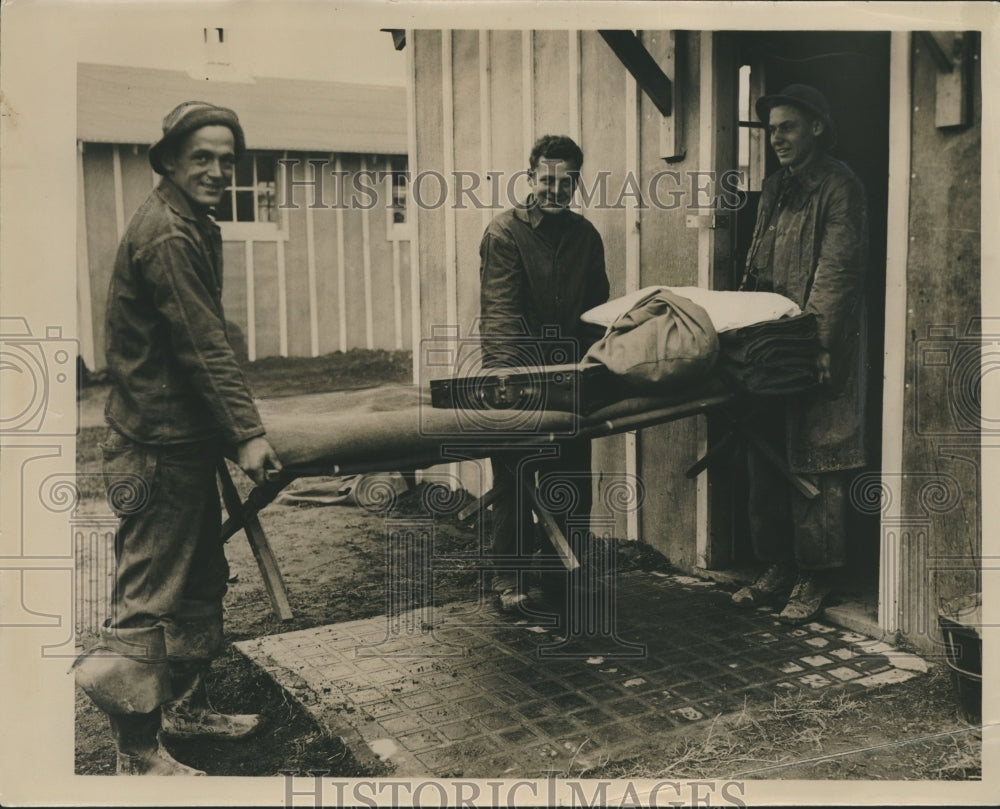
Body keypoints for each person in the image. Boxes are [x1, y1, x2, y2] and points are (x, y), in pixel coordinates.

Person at [74, 101, 283, 775]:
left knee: (199, 580)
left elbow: (206, 339)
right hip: (156, 445)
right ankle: (135, 752)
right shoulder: (167, 233)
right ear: (168, 160)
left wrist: (225, 425)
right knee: (149, 598)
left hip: (184, 435)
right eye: (203, 157)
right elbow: (200, 345)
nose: (219, 170)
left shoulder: (194, 223)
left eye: (228, 159)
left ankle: (186, 706)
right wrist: (247, 433)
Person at [731, 84, 869, 624]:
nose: (776, 138)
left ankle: (816, 576)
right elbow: (755, 263)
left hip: (816, 348)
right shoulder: (774, 188)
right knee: (765, 452)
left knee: (818, 456)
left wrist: (820, 344)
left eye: (787, 127)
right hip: (769, 345)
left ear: (816, 127)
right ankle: (777, 566)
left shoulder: (840, 186)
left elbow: (837, 272)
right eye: (770, 129)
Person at [478, 135, 610, 611]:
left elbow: (598, 313)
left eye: (565, 181)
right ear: (530, 178)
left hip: (571, 376)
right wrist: (505, 386)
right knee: (515, 479)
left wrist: (597, 372)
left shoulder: (586, 237)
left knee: (572, 477)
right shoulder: (504, 234)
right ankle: (510, 578)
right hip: (517, 375)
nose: (555, 190)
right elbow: (499, 316)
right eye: (546, 180)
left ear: (576, 182)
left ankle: (564, 570)